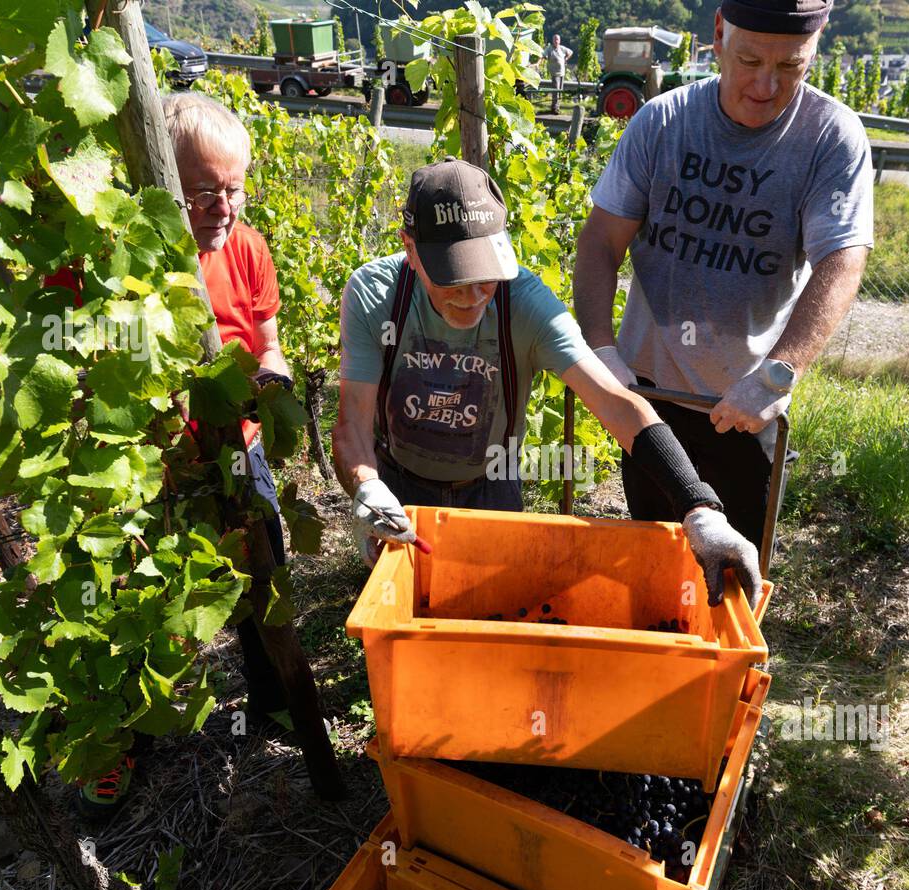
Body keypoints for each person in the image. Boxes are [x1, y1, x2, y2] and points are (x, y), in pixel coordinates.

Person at [332, 156, 762, 607]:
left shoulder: (526, 303)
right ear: (410, 249)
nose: (475, 295)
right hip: (402, 490)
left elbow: (616, 403)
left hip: (490, 489)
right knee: (407, 626)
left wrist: (698, 508)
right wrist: (367, 488)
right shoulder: (376, 296)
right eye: (456, 279)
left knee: (494, 616)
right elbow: (354, 424)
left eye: (486, 276)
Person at [573, 0, 873, 547]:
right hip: (649, 404)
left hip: (744, 407)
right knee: (655, 553)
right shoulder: (662, 122)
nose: (765, 86)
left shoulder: (830, 137)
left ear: (817, 44)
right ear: (718, 34)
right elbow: (599, 242)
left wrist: (777, 374)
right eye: (750, 61)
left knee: (734, 570)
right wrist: (602, 351)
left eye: (790, 68)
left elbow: (842, 259)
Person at [78, 92, 294, 816]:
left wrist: (277, 371)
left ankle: (273, 695)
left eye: (234, 189)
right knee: (136, 593)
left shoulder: (248, 249)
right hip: (151, 462)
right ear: (154, 182)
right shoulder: (121, 263)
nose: (223, 205)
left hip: (240, 444)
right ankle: (124, 736)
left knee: (265, 563)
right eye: (204, 191)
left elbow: (265, 335)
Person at [544, 33, 573, 114]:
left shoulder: (562, 49)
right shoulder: (549, 49)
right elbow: (544, 55)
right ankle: (554, 108)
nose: (556, 41)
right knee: (556, 91)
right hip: (554, 73)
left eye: (557, 39)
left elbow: (571, 52)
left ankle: (557, 107)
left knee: (560, 91)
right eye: (554, 39)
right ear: (552, 40)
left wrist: (566, 58)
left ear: (559, 41)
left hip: (562, 73)